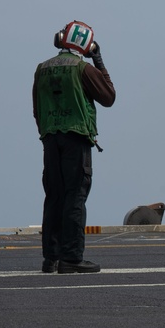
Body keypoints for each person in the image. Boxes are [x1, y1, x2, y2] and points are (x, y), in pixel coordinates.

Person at [33, 21, 116, 273]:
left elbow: (37, 109)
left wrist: (48, 133)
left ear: (61, 39)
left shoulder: (42, 69)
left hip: (50, 139)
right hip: (76, 138)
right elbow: (109, 97)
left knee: (54, 197)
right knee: (75, 197)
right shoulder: (84, 69)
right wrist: (98, 59)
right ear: (86, 45)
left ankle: (52, 258)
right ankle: (72, 258)